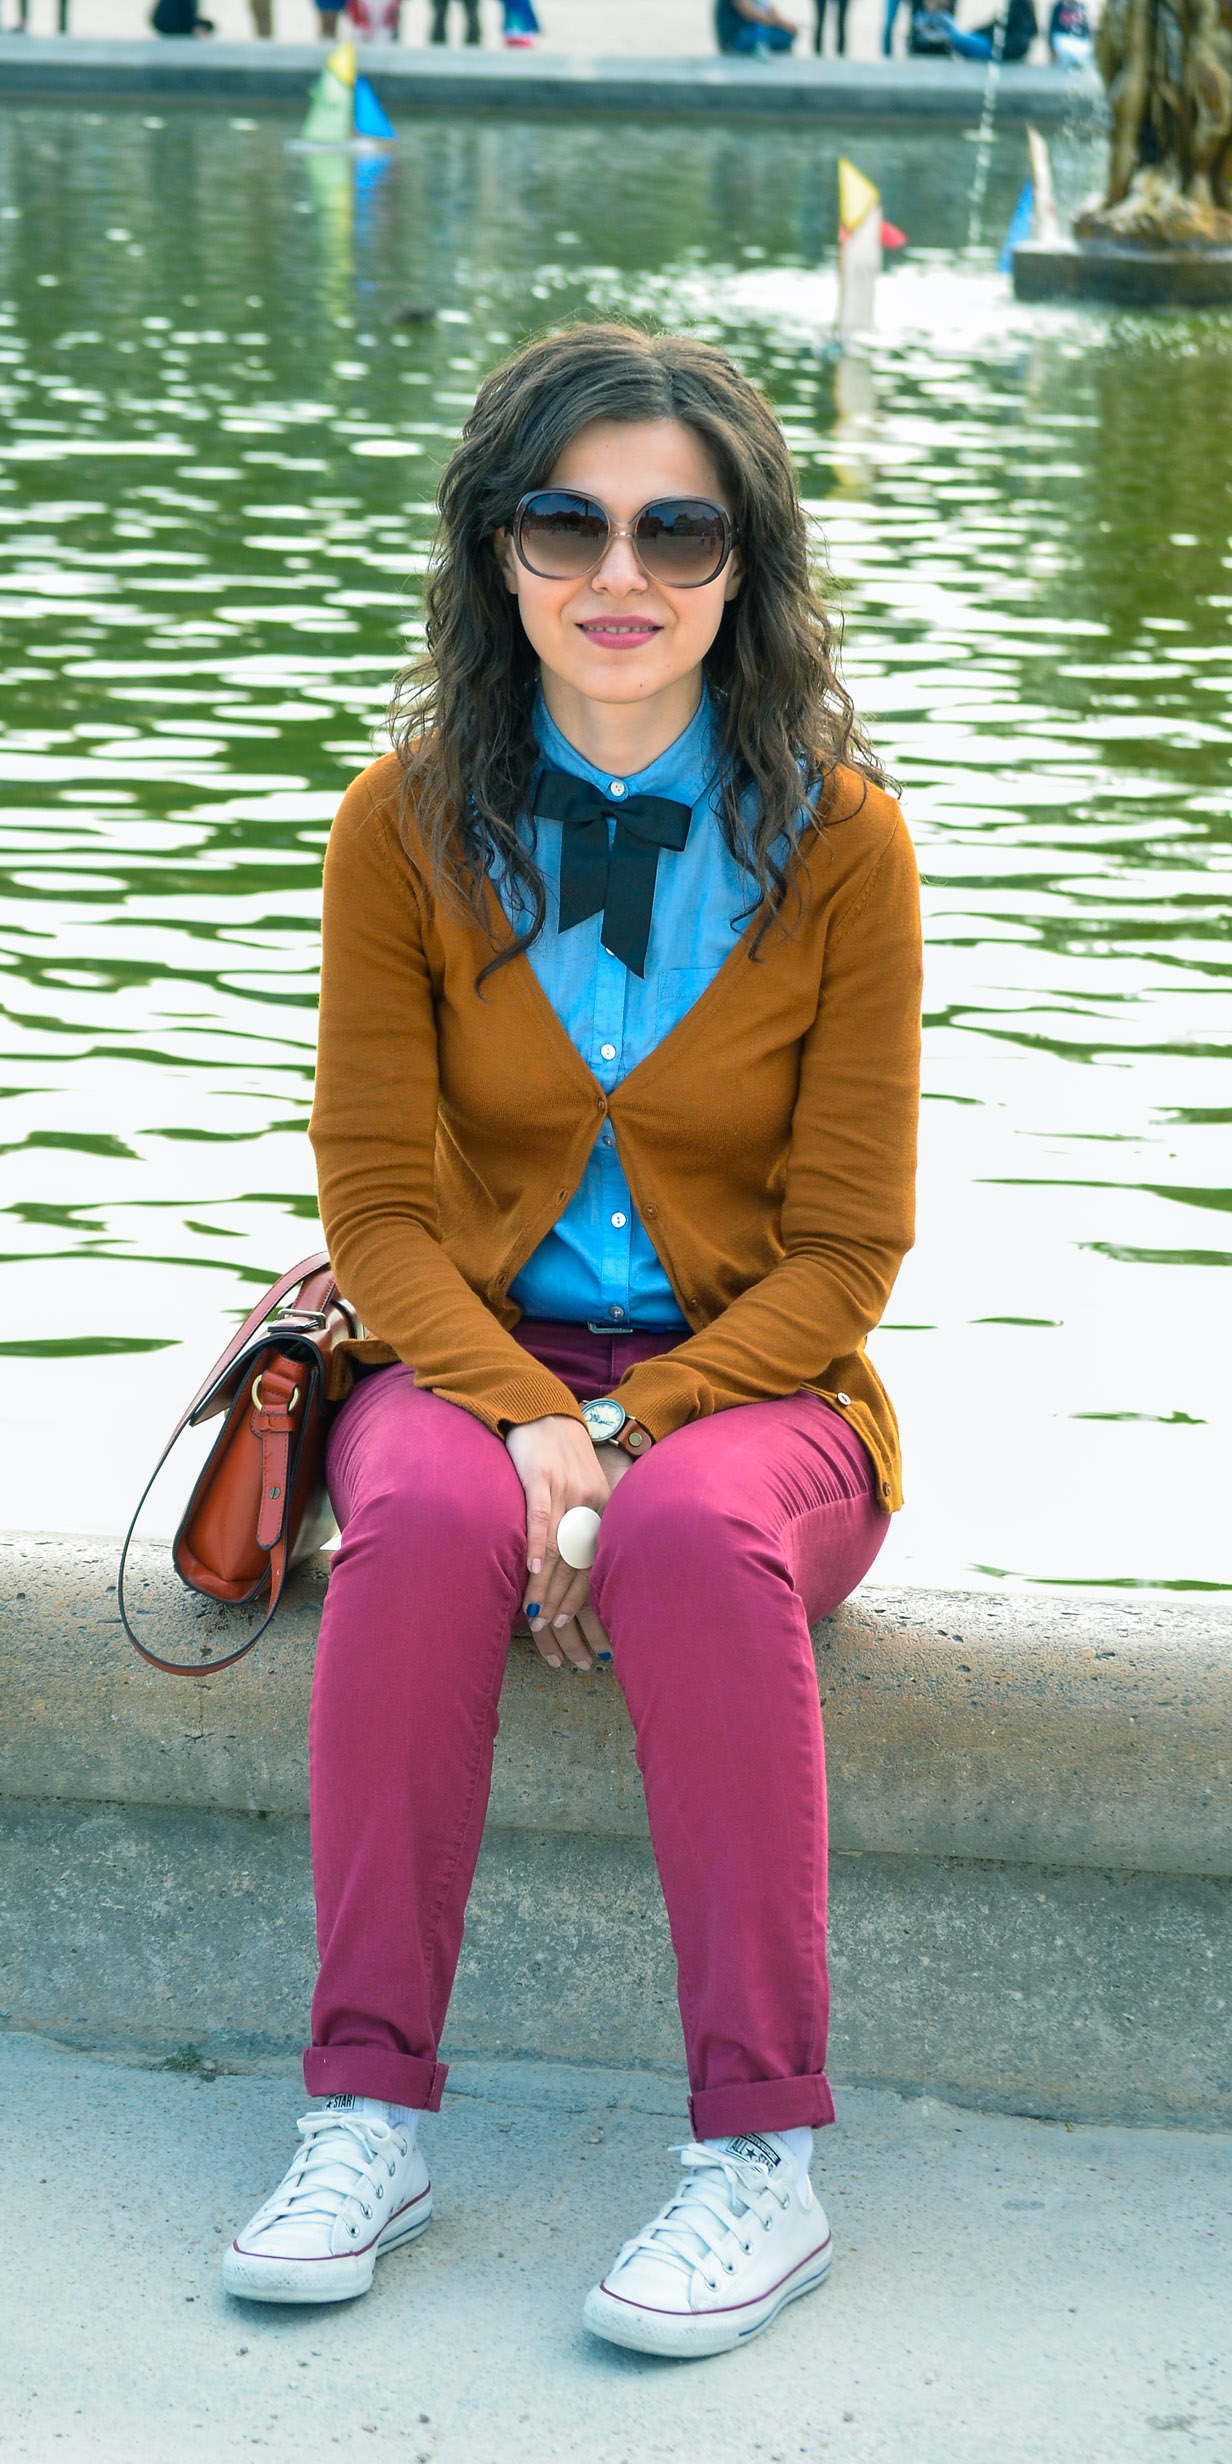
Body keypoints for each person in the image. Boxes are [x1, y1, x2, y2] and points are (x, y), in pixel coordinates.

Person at [221, 323, 921, 2359]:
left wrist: (632, 1433)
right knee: (429, 1527)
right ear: (499, 548)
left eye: (677, 526)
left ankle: (758, 2158)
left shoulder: (846, 843)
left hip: (761, 1384)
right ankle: (363, 2110)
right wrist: (530, 1417)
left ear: (744, 564)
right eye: (569, 519)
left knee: (699, 1532)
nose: (623, 572)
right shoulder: (400, 823)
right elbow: (381, 1209)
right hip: (463, 1360)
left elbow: (847, 1246)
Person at [715, 0, 799, 55]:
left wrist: (785, 24)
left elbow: (769, 9)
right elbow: (749, 14)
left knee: (787, 33)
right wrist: (776, 22)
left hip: (751, 33)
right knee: (779, 35)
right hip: (735, 39)